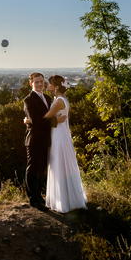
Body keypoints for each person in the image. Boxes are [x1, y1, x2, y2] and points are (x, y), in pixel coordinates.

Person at [42, 75, 87, 212]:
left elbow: (46, 118)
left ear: (56, 87)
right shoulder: (60, 99)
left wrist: (29, 120)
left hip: (59, 136)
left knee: (59, 165)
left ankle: (63, 201)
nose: (47, 85)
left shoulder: (59, 101)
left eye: (49, 83)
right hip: (59, 134)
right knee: (61, 165)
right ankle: (65, 198)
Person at [23, 72, 61, 211]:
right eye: (36, 82)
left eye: (41, 81)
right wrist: (55, 121)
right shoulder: (28, 100)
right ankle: (33, 199)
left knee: (41, 169)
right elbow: (36, 121)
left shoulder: (46, 97)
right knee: (33, 169)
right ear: (31, 83)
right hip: (34, 139)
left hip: (46, 139)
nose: (40, 84)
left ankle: (39, 196)